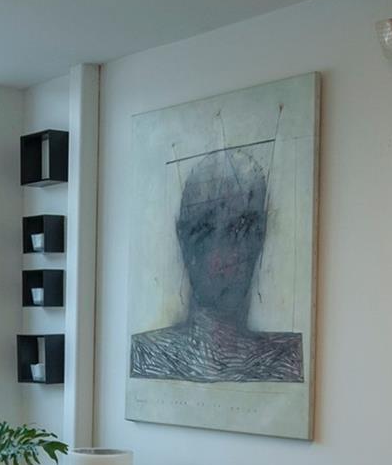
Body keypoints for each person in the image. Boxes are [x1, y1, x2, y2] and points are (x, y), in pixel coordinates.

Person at [130, 146, 303, 383]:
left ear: (260, 236)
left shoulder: (287, 360)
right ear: (182, 238)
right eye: (205, 231)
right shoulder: (147, 355)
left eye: (241, 230)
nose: (222, 258)